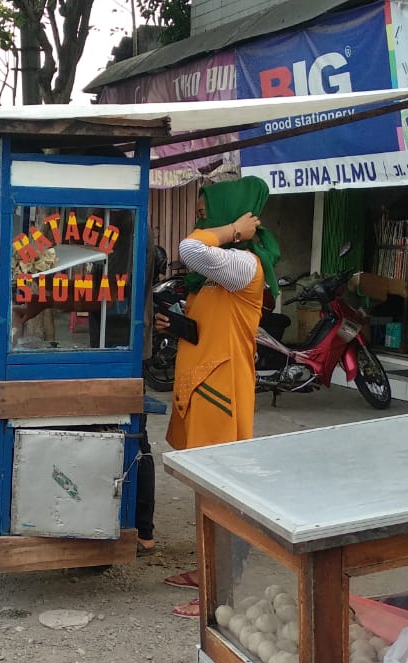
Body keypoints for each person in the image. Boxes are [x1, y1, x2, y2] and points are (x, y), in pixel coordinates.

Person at [158, 176, 280, 616]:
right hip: (203, 386)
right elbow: (210, 322)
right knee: (205, 489)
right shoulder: (215, 272)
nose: (200, 218)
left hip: (221, 390)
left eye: (206, 209)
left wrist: (233, 231)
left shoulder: (243, 263)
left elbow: (189, 247)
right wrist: (177, 326)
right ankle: (206, 569)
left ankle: (219, 593)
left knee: (222, 493)